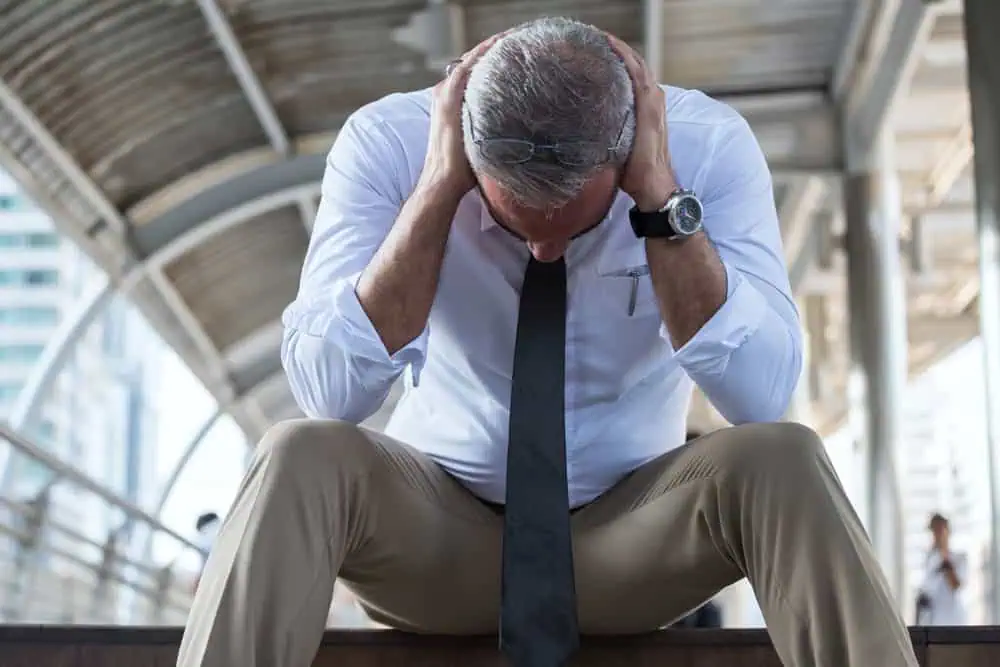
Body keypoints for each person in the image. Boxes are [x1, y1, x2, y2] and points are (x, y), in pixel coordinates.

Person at [176, 18, 918, 667]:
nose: (545, 252)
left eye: (572, 226)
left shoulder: (708, 148)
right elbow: (331, 393)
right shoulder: (387, 144)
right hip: (434, 540)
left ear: (629, 152)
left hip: (629, 540)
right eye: (519, 225)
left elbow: (760, 394)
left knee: (783, 455)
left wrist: (662, 205)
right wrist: (436, 191)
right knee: (295, 451)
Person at [915, 513, 968, 626]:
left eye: (940, 530)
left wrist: (944, 554)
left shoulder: (959, 558)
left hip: (953, 621)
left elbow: (955, 585)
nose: (936, 535)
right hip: (932, 622)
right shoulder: (929, 559)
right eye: (934, 531)